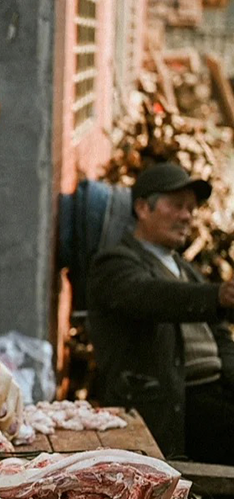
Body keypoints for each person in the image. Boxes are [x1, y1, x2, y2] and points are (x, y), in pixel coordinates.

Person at [87, 162, 234, 462]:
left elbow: (221, 339)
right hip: (176, 405)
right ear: (143, 208)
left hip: (216, 397)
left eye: (191, 209)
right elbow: (151, 297)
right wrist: (217, 295)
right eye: (177, 206)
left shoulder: (185, 270)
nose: (187, 217)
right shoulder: (115, 263)